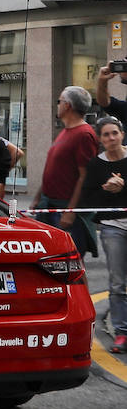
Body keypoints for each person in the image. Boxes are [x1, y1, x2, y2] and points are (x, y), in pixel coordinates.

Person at [64, 116, 127, 353]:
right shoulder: (96, 165)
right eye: (106, 135)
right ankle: (121, 332)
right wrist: (106, 189)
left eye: (115, 133)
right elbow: (89, 201)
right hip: (112, 227)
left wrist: (124, 186)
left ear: (122, 134)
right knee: (118, 282)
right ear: (100, 139)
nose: (111, 138)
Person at [42, 86, 99, 256]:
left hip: (65, 211)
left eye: (59, 101)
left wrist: (71, 211)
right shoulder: (66, 131)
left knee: (68, 262)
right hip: (51, 206)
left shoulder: (84, 134)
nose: (57, 105)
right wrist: (38, 197)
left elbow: (85, 176)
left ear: (67, 105)